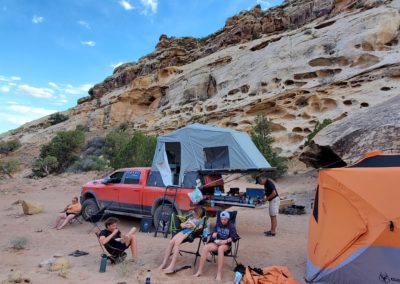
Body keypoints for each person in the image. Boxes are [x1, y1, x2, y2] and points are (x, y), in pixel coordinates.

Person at [194, 211, 239, 281]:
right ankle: (200, 271)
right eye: (222, 219)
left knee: (220, 249)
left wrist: (225, 241)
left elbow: (234, 237)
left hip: (226, 245)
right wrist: (214, 234)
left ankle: (219, 273)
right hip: (217, 243)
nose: (223, 221)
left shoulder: (231, 225)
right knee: (205, 247)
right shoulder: (218, 224)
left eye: (225, 219)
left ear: (228, 219)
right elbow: (213, 233)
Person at [158, 206, 205, 273]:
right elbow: (182, 225)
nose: (193, 215)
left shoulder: (201, 220)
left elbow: (199, 229)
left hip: (190, 232)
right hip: (184, 230)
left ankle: (171, 266)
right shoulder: (191, 217)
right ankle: (163, 263)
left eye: (194, 214)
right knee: (171, 242)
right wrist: (184, 224)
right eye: (193, 213)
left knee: (177, 243)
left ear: (198, 213)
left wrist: (192, 224)